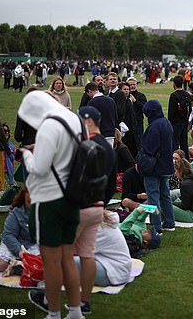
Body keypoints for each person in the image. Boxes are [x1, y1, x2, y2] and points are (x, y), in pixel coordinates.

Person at [18, 91, 84, 319]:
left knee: (51, 261)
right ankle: (75, 310)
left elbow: (40, 168)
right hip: (71, 196)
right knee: (67, 257)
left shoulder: (48, 126)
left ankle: (54, 312)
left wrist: (26, 155)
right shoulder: (74, 119)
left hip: (49, 199)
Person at [74, 105, 117, 315]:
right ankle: (85, 301)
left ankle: (50, 297)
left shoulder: (86, 144)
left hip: (79, 204)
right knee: (87, 254)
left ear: (88, 121)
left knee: (60, 253)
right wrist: (102, 202)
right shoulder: (109, 147)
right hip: (97, 205)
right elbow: (111, 184)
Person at [137, 100, 176, 233]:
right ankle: (170, 223)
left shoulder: (154, 126)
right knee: (165, 195)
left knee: (152, 196)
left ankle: (156, 226)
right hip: (166, 165)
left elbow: (148, 148)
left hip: (153, 167)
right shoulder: (166, 122)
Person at [0, 187, 39, 272]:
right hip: (17, 243)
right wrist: (19, 251)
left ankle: (19, 265)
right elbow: (8, 235)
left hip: (38, 245)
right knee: (0, 265)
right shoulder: (17, 213)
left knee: (43, 265)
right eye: (29, 201)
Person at [73, 210, 132, 287]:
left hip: (113, 273)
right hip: (116, 268)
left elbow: (73, 250)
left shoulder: (96, 228)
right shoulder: (100, 220)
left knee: (63, 262)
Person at [168, 75, 191, 153]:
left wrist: (170, 122)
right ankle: (186, 160)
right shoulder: (187, 94)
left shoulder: (174, 95)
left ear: (174, 84)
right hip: (185, 121)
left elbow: (171, 111)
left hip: (175, 122)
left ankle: (174, 160)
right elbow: (190, 109)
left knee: (174, 143)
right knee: (184, 143)